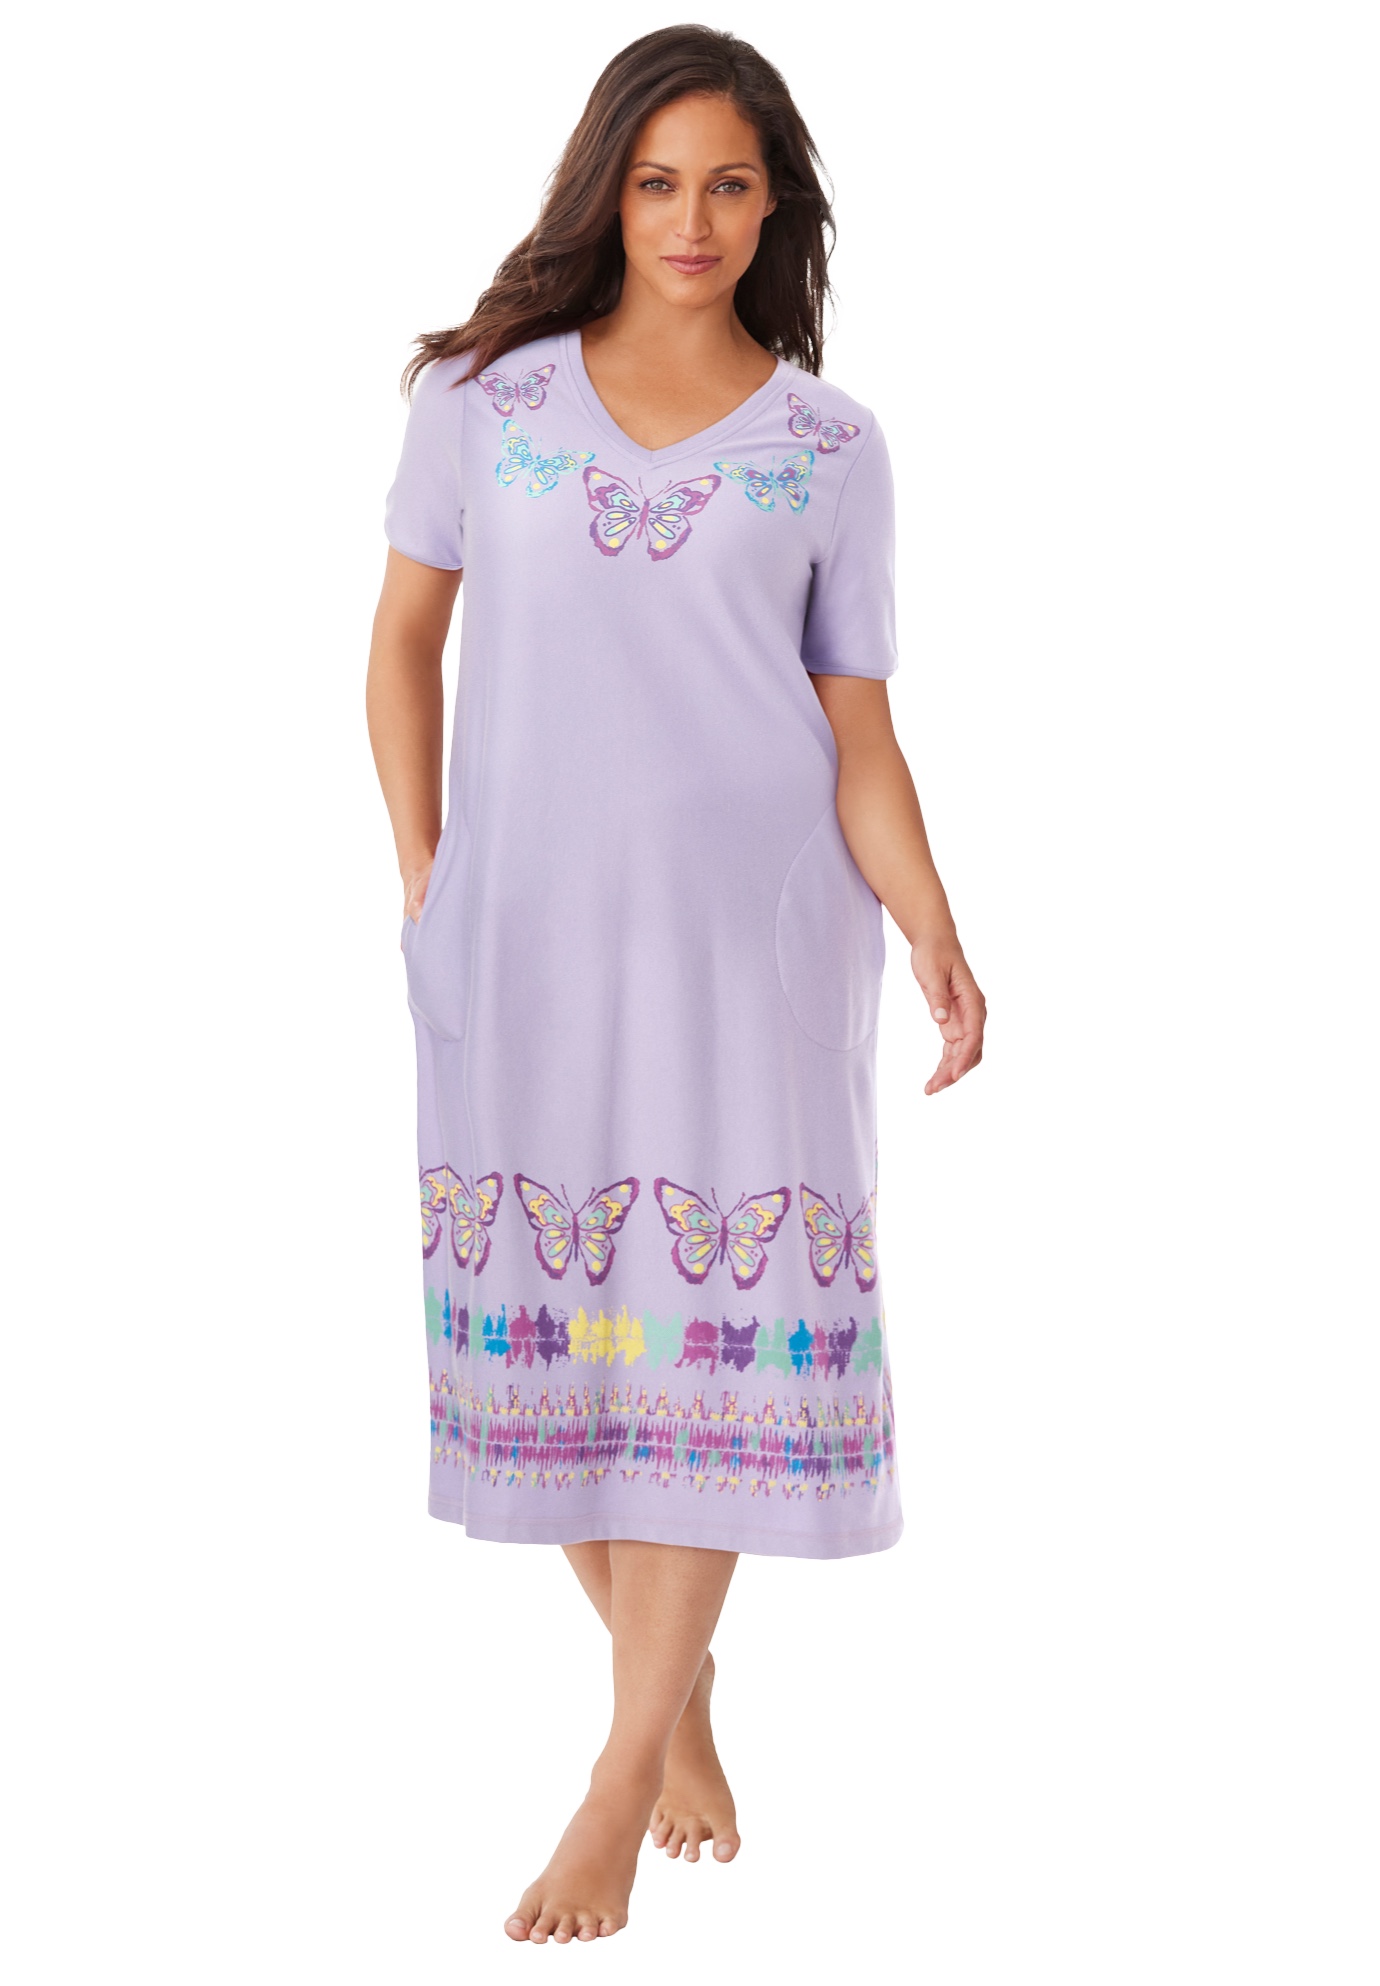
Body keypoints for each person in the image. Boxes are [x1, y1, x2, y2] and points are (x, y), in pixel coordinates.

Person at [366, 24, 985, 1946]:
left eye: (729, 183)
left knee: (704, 1344)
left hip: (755, 954)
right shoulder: (484, 402)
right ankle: (680, 1685)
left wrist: (936, 925)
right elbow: (399, 646)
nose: (693, 219)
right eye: (657, 182)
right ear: (606, 192)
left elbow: (856, 731)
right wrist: (427, 874)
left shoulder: (832, 448)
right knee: (559, 1349)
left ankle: (619, 1773)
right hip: (523, 942)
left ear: (774, 202)